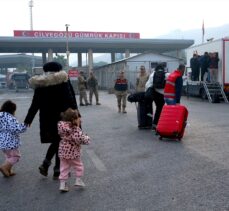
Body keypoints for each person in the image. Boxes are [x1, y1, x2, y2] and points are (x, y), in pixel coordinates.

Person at [24, 61, 79, 180]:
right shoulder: (63, 80)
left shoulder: (41, 84)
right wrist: (76, 114)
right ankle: (56, 169)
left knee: (57, 141)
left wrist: (29, 118)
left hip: (47, 118)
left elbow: (35, 103)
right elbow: (70, 98)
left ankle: (47, 164)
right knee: (61, 141)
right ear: (59, 70)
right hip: (63, 117)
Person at [58, 108, 91, 192]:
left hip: (63, 152)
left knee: (64, 168)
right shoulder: (75, 129)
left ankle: (62, 184)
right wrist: (87, 138)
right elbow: (80, 139)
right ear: (73, 119)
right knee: (79, 166)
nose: (80, 120)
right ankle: (78, 180)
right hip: (73, 153)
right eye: (78, 118)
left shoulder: (62, 127)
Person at [0, 100, 27, 177]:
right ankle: (4, 167)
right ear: (12, 110)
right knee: (15, 156)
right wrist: (24, 125)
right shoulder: (10, 118)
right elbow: (16, 129)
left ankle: (8, 170)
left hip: (2, 142)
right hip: (10, 142)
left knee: (9, 156)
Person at [145, 64, 166, 129]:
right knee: (160, 108)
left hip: (153, 93)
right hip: (161, 94)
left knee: (156, 108)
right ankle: (157, 123)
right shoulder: (165, 74)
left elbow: (147, 85)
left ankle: (152, 123)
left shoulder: (152, 74)